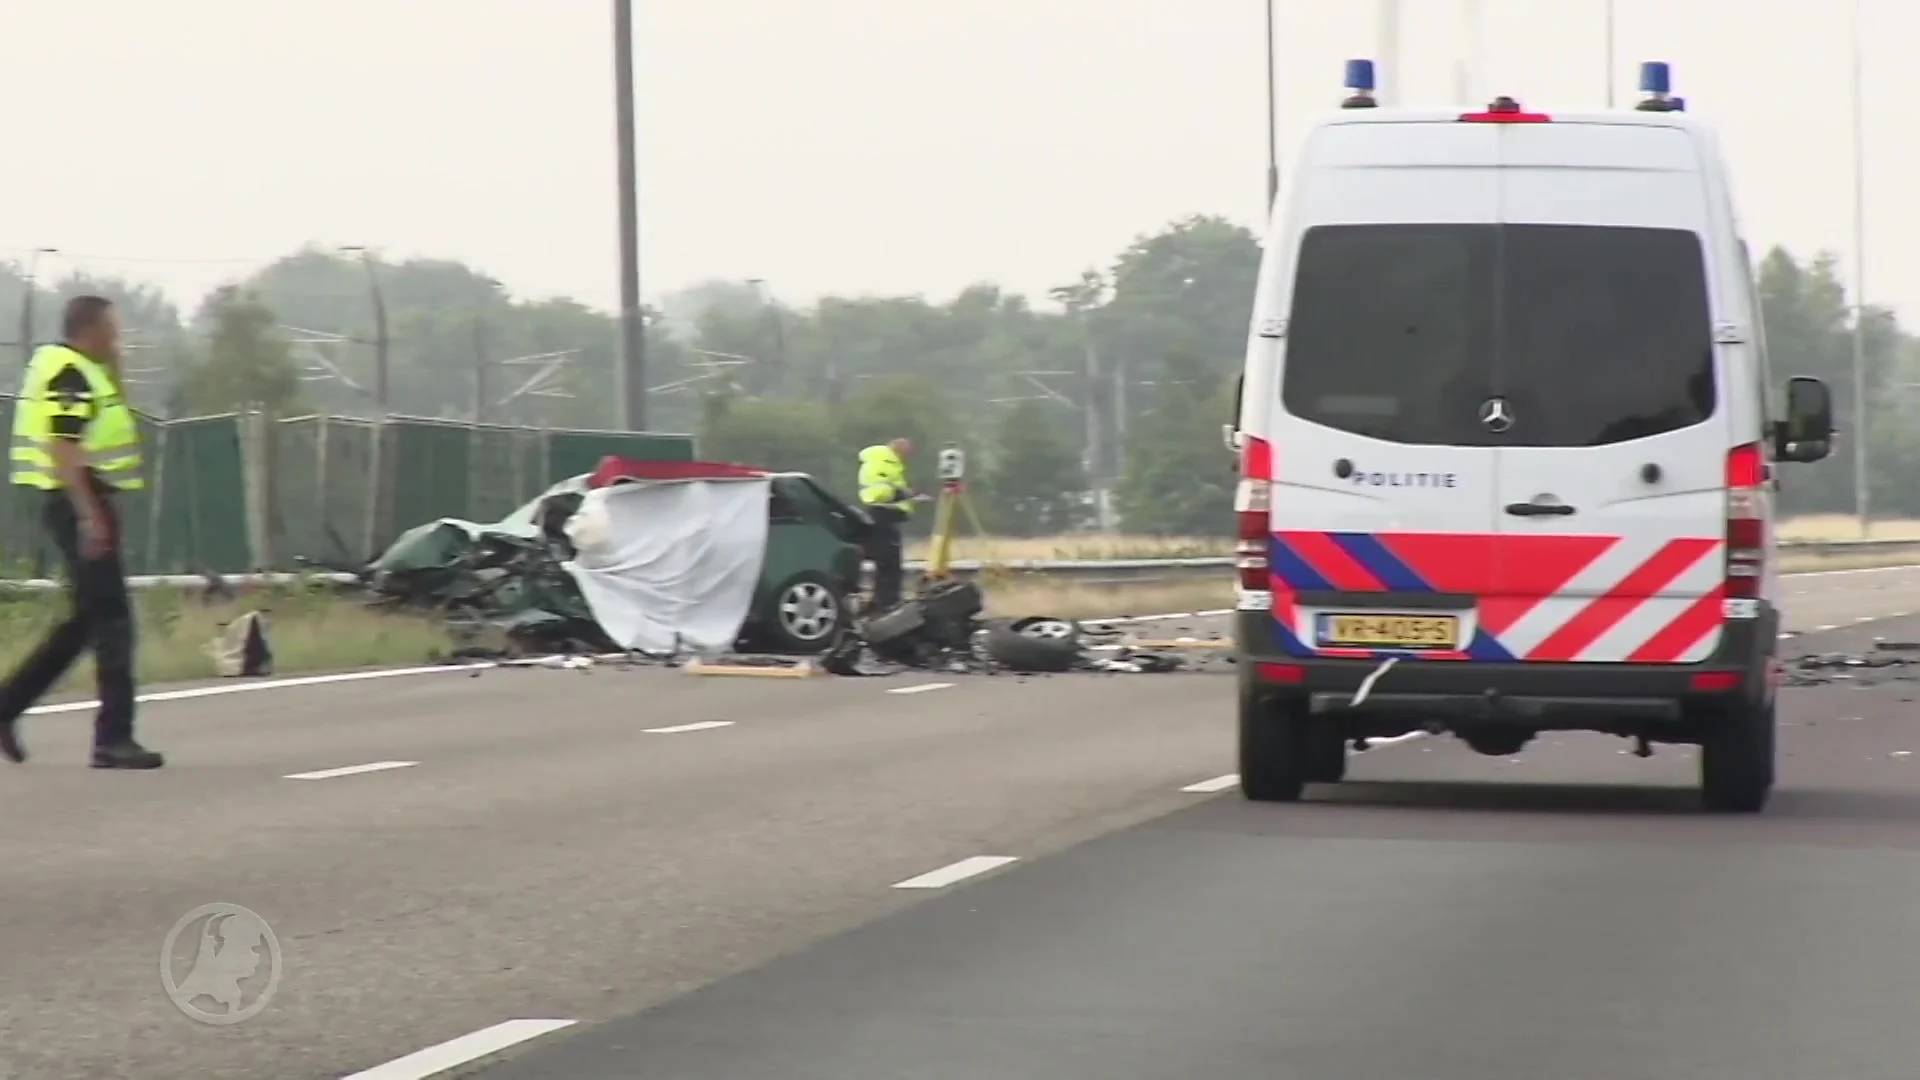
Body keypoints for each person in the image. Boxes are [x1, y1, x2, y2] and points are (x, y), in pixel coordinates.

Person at [0, 296, 164, 768]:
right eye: (113, 325)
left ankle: (7, 706)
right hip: (79, 501)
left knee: (85, 623)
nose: (119, 334)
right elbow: (63, 447)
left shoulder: (83, 370)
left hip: (81, 500)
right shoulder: (69, 373)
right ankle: (113, 739)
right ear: (91, 327)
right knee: (113, 622)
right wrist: (90, 514)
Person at [856, 437, 929, 611]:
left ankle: (885, 600)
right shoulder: (881, 461)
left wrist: (909, 497)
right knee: (888, 563)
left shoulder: (890, 463)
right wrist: (905, 493)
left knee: (890, 563)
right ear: (898, 448)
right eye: (908, 452)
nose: (909, 456)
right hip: (882, 515)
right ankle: (886, 603)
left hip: (888, 515)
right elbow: (878, 492)